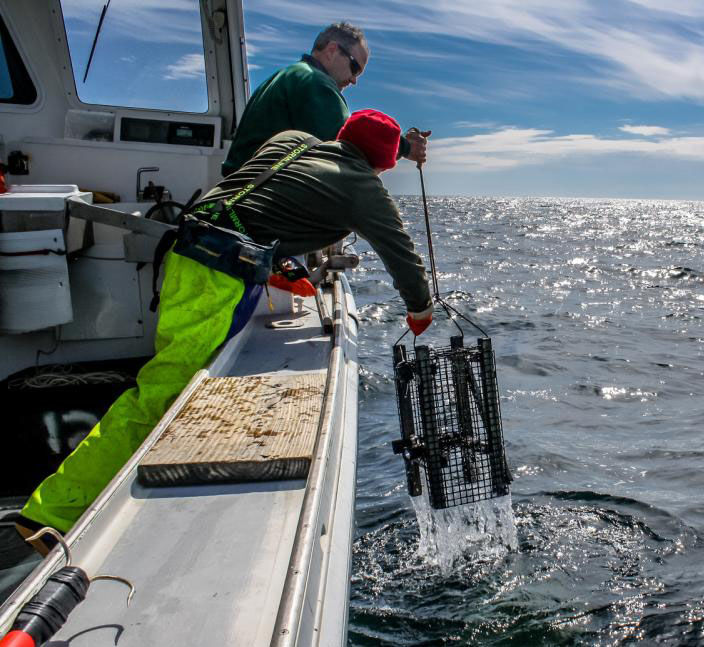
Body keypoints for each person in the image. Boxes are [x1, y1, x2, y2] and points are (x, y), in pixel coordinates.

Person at [16, 110, 433, 544]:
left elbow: (261, 204)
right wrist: (420, 312)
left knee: (170, 385)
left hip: (186, 252)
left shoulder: (292, 139)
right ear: (383, 165)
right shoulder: (363, 186)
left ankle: (91, 499)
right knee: (162, 395)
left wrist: (279, 265)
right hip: (213, 277)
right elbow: (402, 255)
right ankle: (54, 513)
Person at [222, 22, 429, 177]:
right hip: (260, 205)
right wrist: (405, 147)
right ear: (332, 50)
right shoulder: (315, 82)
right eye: (355, 68)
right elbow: (351, 151)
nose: (354, 80)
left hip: (240, 195)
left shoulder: (290, 75)